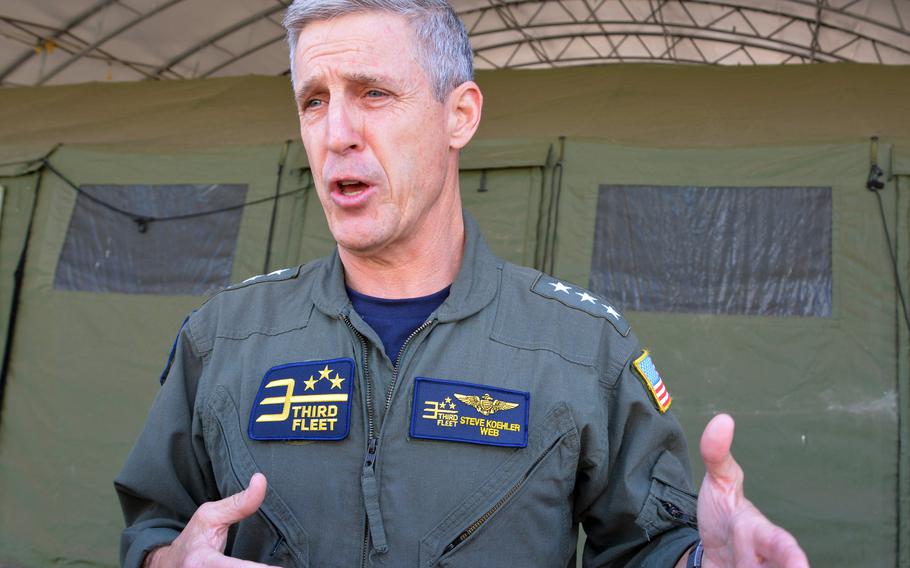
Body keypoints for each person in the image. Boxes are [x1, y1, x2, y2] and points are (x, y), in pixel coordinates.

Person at [114, 1, 810, 567]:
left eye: (374, 93)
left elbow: (646, 545)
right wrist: (168, 561)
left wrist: (700, 563)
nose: (337, 133)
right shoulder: (224, 338)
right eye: (314, 101)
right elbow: (154, 523)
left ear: (461, 115)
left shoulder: (581, 349)